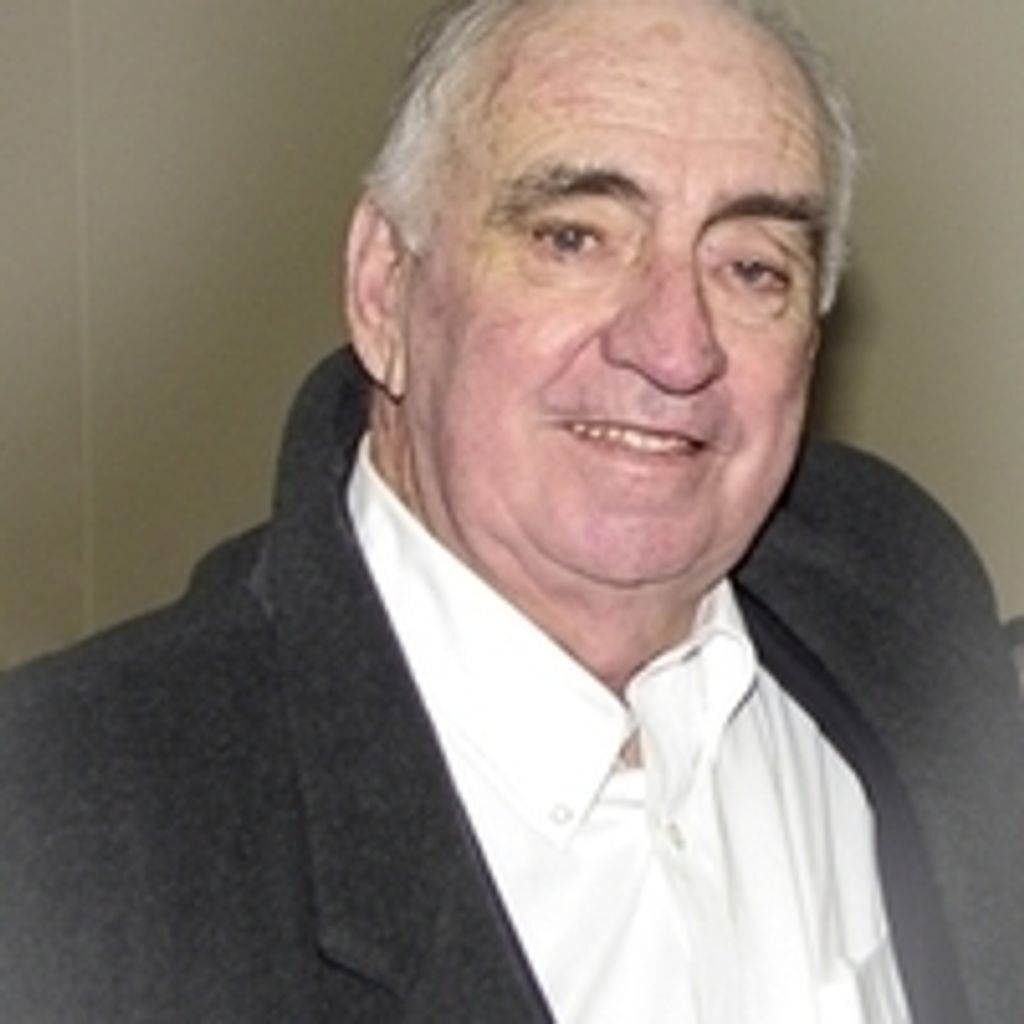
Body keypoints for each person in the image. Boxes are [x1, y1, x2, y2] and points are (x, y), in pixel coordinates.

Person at [1, 0, 1021, 1021]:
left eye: (751, 267)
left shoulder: (898, 599)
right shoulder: (62, 840)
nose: (676, 348)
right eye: (572, 238)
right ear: (384, 288)